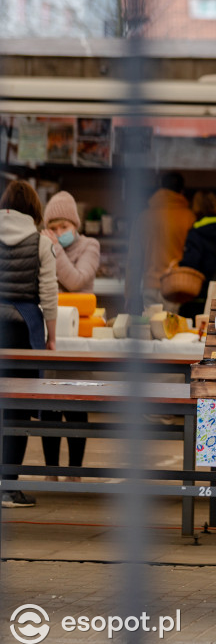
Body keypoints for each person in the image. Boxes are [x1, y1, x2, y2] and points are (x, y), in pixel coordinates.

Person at [0, 181, 58, 508]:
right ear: (35, 210)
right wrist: (52, 338)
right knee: (17, 410)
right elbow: (49, 294)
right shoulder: (40, 242)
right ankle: (8, 488)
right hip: (22, 329)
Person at [40, 191, 100, 483]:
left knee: (76, 406)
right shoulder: (44, 244)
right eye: (52, 227)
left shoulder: (90, 245)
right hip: (49, 334)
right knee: (48, 404)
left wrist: (55, 250)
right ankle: (52, 470)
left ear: (75, 224)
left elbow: (77, 280)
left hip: (77, 336)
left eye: (63, 226)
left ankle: (74, 471)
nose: (58, 232)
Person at [128, 171, 195, 312]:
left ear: (160, 188)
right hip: (176, 286)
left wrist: (130, 294)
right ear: (182, 191)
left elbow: (134, 260)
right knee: (175, 331)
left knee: (151, 330)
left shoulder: (144, 217)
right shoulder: (189, 217)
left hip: (149, 285)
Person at [178, 191, 216, 319]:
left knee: (195, 336)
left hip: (198, 298)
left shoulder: (195, 234)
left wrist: (179, 266)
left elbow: (190, 264)